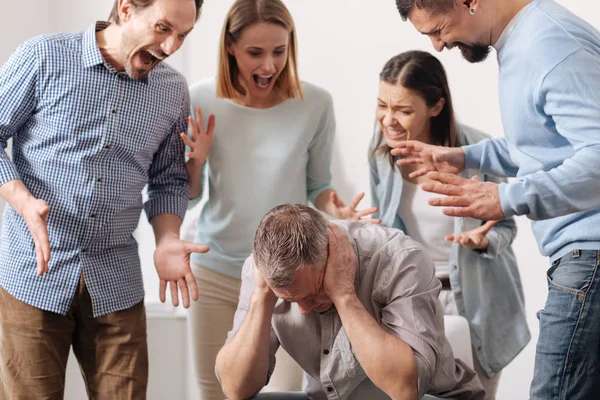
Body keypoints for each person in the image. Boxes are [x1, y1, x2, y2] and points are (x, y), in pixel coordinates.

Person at [393, 0, 600, 398]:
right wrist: (465, 157)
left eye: (438, 29)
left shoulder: (550, 43)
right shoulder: (524, 40)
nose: (437, 46)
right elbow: (540, 142)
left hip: (589, 255)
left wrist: (507, 198)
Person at [0, 0, 207, 398]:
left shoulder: (172, 91)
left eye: (183, 35)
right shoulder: (43, 57)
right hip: (32, 275)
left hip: (116, 281)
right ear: (126, 9)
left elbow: (167, 180)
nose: (170, 47)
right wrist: (23, 200)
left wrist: (166, 238)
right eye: (163, 28)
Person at [182, 1, 377, 398]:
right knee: (215, 390)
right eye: (256, 53)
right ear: (230, 48)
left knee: (282, 394)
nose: (269, 65)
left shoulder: (315, 104)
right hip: (215, 271)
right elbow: (188, 197)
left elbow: (318, 185)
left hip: (289, 277)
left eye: (279, 51)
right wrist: (196, 162)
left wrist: (336, 209)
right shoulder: (201, 97)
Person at [368, 50, 530, 399]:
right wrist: (357, 227)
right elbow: (386, 232)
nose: (389, 120)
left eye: (404, 110)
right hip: (411, 299)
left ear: (436, 106)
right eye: (383, 105)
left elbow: (505, 228)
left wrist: (481, 241)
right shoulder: (382, 152)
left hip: (476, 300)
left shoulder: (476, 151)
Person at [215, 203, 484, 400]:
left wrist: (343, 294)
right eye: (290, 300)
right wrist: (262, 298)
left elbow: (404, 389)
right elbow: (235, 388)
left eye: (313, 292)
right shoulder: (261, 270)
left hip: (434, 397)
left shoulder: (401, 258)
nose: (305, 309)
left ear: (331, 253)